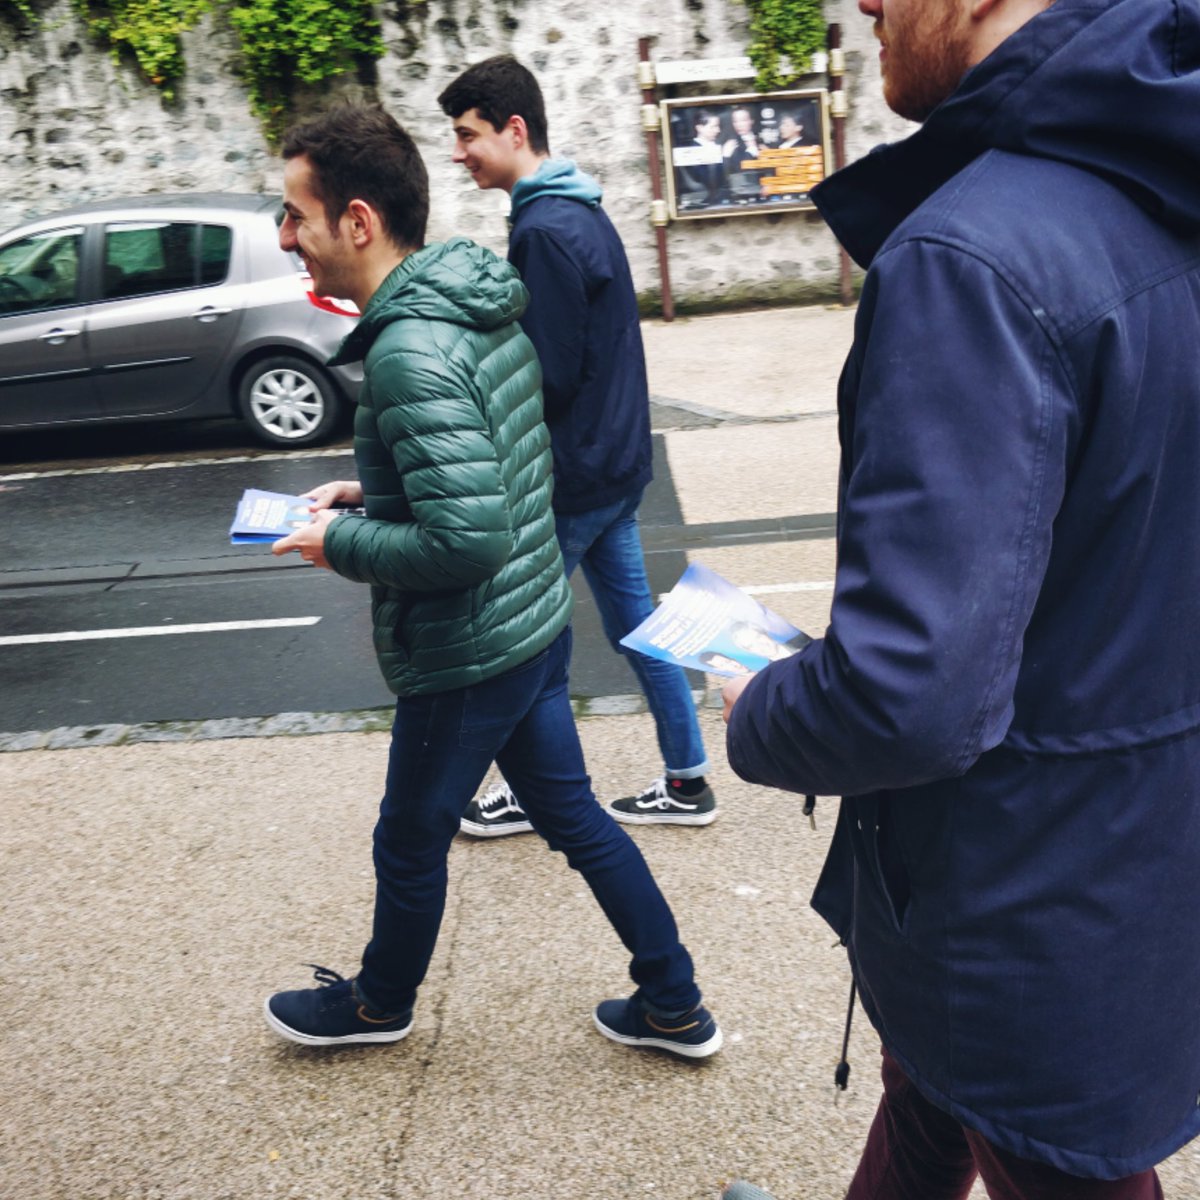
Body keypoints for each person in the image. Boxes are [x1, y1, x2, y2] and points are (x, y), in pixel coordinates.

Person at [722, 0, 1200, 1194]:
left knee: (1049, 1155)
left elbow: (908, 699)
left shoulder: (972, 256)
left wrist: (761, 706)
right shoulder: (1165, 184)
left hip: (1021, 902)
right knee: (925, 1097)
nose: (865, 5)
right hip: (1139, 852)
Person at [262, 103, 721, 1061]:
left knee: (408, 838)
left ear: (357, 221)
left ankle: (379, 1005)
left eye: (296, 216)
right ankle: (674, 1001)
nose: (286, 237)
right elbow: (495, 457)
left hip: (469, 646)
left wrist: (339, 542)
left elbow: (464, 541)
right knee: (575, 818)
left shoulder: (408, 349)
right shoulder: (465, 303)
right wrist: (371, 488)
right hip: (530, 621)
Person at [438, 55, 717, 836]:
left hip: (573, 478)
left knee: (519, 637)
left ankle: (532, 792)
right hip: (614, 467)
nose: (458, 154)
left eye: (467, 136)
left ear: (513, 129)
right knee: (640, 630)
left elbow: (547, 375)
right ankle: (689, 780)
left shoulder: (544, 231)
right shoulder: (579, 209)